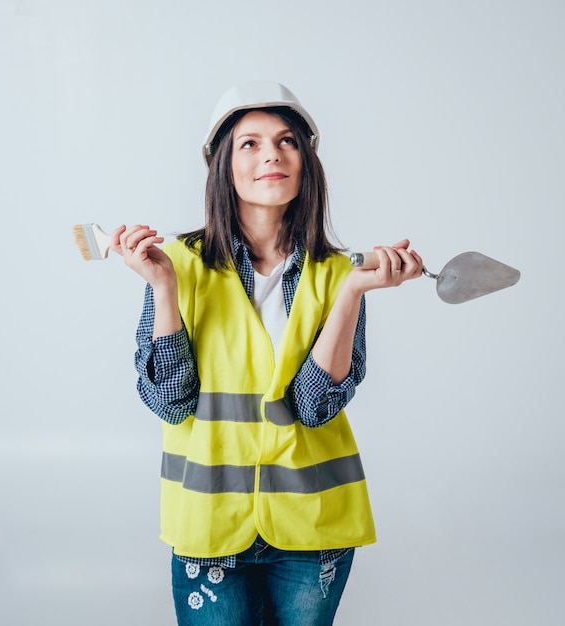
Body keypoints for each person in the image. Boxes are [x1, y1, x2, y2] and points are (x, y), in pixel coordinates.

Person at [111, 82, 422, 626]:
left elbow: (314, 405)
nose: (271, 154)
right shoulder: (174, 264)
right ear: (222, 165)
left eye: (286, 141)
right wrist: (162, 289)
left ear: (307, 161)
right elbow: (169, 401)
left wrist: (352, 294)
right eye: (249, 143)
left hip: (313, 525)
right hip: (210, 525)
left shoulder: (340, 274)